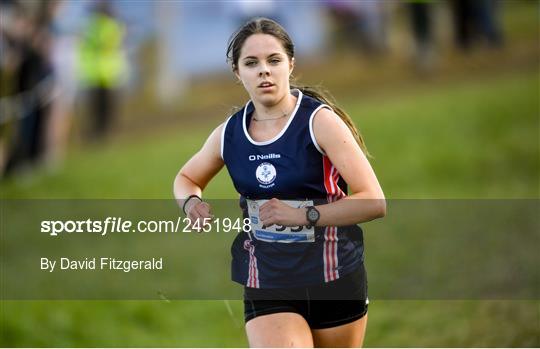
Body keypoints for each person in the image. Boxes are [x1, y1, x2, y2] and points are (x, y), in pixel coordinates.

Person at [173, 17, 385, 347]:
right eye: (251, 63)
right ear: (237, 72)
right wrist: (190, 203)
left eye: (273, 60)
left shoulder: (320, 122)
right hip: (268, 281)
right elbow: (186, 178)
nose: (264, 71)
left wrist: (304, 216)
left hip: (334, 276)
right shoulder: (229, 134)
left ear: (290, 64)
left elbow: (373, 200)